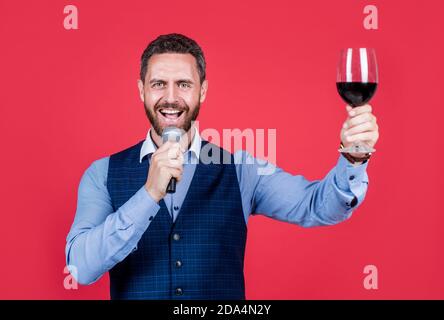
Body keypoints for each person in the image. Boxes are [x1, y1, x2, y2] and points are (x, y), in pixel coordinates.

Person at [65, 33, 379, 300]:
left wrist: (353, 157)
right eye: (159, 83)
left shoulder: (242, 170)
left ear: (202, 91)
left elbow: (319, 206)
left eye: (184, 84)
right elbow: (81, 267)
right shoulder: (102, 174)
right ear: (141, 91)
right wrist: (149, 194)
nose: (171, 98)